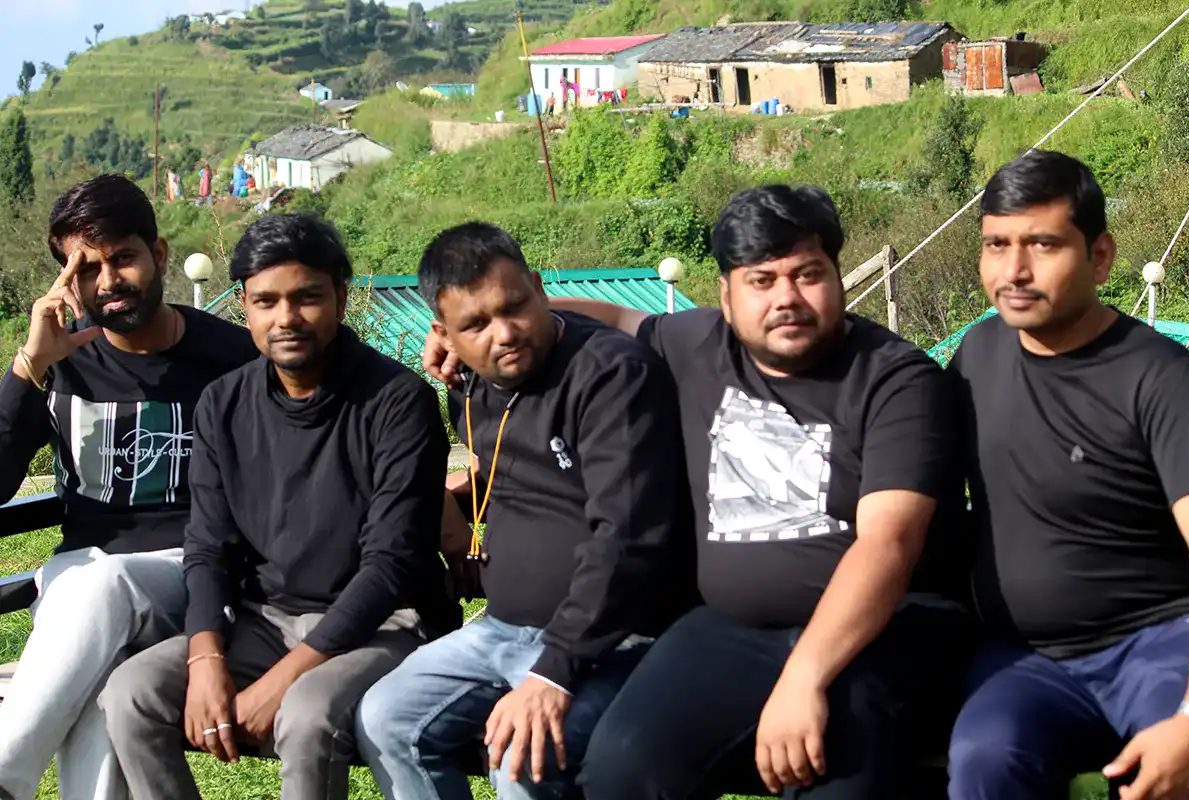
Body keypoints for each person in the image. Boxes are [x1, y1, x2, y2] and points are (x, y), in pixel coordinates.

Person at [423, 186, 969, 799]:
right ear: (726, 297)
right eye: (761, 281)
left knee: (831, 775)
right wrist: (474, 330)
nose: (786, 298)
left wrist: (805, 678)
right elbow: (610, 318)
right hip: (732, 629)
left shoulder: (897, 379)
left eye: (808, 274)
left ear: (836, 276)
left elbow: (888, 545)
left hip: (882, 628)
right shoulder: (696, 343)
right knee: (623, 769)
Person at [97, 213, 457, 800]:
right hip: (265, 619)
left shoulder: (397, 402)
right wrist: (205, 658)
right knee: (130, 693)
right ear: (245, 305)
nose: (285, 318)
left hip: (387, 624)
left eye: (306, 297)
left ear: (340, 298)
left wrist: (280, 682)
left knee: (306, 716)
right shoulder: (223, 402)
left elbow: (392, 565)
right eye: (265, 301)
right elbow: (208, 546)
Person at [356, 221, 688, 800]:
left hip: (615, 641)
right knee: (385, 717)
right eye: (476, 325)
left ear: (538, 287)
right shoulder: (470, 384)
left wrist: (553, 671)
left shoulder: (611, 373)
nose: (505, 333)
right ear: (445, 335)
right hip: (502, 628)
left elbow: (627, 538)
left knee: (521, 759)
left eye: (515, 307)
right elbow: (505, 472)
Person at [945, 150, 1189, 800]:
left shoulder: (1162, 379)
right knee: (983, 758)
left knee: (1168, 770)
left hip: (1158, 644)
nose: (1014, 270)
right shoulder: (976, 356)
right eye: (996, 245)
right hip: (1023, 656)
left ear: (1101, 256)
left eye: (1043, 244)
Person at [0, 174, 258, 800]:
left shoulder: (232, 358)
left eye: (123, 258)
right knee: (103, 679)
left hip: (195, 576)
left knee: (100, 585)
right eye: (86, 268)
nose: (108, 281)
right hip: (82, 589)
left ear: (159, 255)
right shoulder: (59, 362)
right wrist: (28, 367)